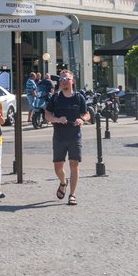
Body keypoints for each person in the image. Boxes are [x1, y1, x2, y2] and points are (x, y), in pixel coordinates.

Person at [44, 71, 90, 205]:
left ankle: (72, 194)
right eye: (62, 79)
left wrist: (82, 120)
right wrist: (57, 119)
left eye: (66, 79)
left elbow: (87, 114)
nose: (63, 81)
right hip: (59, 136)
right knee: (58, 167)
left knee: (74, 164)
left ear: (72, 81)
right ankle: (63, 182)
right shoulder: (56, 97)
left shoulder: (78, 97)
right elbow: (47, 115)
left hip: (75, 135)